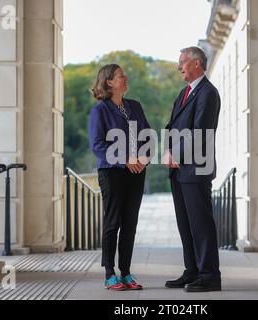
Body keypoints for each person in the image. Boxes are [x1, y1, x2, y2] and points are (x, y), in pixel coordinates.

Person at [164, 47, 222, 292]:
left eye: (182, 62)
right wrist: (169, 152)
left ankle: (209, 276)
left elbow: (200, 131)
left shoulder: (208, 93)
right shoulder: (185, 92)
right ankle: (193, 271)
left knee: (200, 224)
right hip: (179, 170)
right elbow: (175, 126)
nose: (179, 67)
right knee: (186, 224)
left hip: (196, 169)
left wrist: (176, 153)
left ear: (196, 63)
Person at [89, 64, 151, 291]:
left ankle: (125, 273)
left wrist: (143, 159)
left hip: (136, 172)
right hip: (112, 171)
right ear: (109, 83)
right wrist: (125, 159)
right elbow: (97, 145)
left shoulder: (134, 106)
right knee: (113, 221)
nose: (126, 78)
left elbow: (147, 136)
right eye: (120, 76)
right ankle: (109, 273)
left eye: (124, 75)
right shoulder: (100, 110)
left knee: (130, 223)